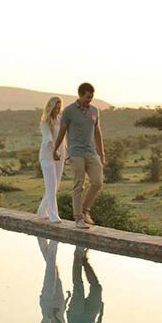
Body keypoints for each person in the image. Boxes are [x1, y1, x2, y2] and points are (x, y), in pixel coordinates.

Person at [53, 82, 104, 227]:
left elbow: (97, 131)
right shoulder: (69, 111)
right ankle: (79, 218)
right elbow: (62, 132)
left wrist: (102, 152)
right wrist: (55, 149)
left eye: (92, 97)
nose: (90, 100)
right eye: (87, 97)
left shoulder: (94, 110)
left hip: (91, 152)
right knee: (78, 184)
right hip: (76, 153)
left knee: (97, 182)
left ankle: (85, 209)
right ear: (80, 95)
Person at [34, 96, 65, 222]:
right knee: (51, 185)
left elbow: (64, 137)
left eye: (59, 108)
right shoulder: (45, 121)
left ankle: (42, 211)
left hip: (60, 155)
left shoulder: (61, 120)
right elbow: (48, 138)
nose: (57, 110)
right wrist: (54, 151)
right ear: (50, 107)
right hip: (47, 156)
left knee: (56, 185)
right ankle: (53, 214)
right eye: (55, 108)